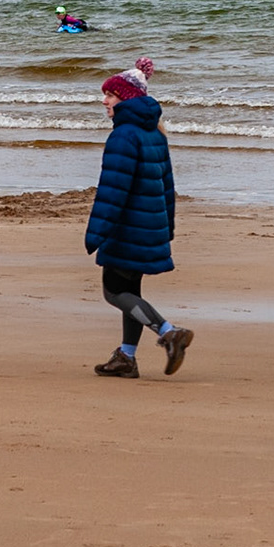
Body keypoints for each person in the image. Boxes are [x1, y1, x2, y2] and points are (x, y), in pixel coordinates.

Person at [85, 58, 192, 379]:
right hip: (149, 225)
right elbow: (167, 185)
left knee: (114, 291)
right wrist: (167, 226)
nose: (104, 101)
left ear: (126, 99)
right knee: (131, 292)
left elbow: (112, 190)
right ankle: (126, 357)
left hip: (126, 227)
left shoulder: (124, 136)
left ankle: (169, 332)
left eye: (110, 96)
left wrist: (96, 233)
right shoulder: (155, 133)